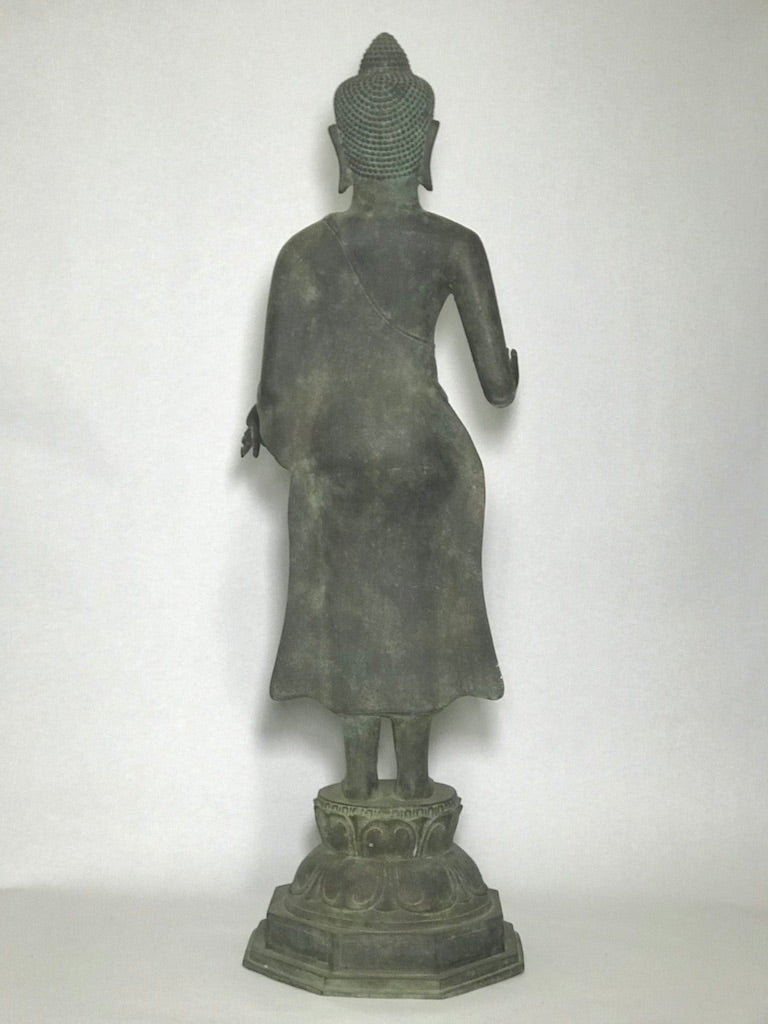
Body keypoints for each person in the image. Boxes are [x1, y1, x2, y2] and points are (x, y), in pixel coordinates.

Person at [242, 33, 518, 801]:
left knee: (351, 626)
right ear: (426, 145)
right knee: (420, 623)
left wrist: (304, 445)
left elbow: (279, 411)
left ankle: (359, 789)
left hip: (336, 465)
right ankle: (418, 788)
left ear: (343, 149)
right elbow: (498, 388)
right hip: (432, 462)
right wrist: (513, 365)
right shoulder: (456, 246)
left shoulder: (302, 254)